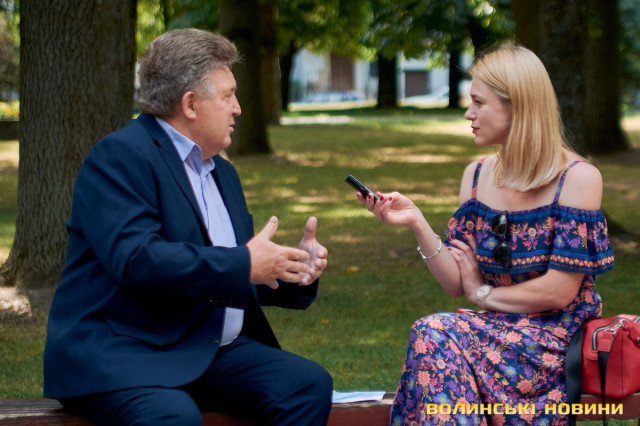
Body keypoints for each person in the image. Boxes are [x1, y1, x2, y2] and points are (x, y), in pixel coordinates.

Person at [43, 28, 332, 426]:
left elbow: (228, 270)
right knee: (172, 416)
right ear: (190, 104)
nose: (238, 108)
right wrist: (244, 264)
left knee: (306, 384)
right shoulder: (120, 156)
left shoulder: (222, 172)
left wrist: (294, 270)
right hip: (123, 352)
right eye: (228, 96)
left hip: (203, 348)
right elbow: (138, 260)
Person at [355, 45, 614, 424]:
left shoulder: (577, 179)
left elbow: (559, 292)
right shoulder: (477, 176)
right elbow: (455, 283)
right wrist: (416, 222)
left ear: (518, 107)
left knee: (436, 334)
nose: (468, 113)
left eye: (479, 102)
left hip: (554, 342)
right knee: (435, 335)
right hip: (495, 333)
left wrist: (483, 294)